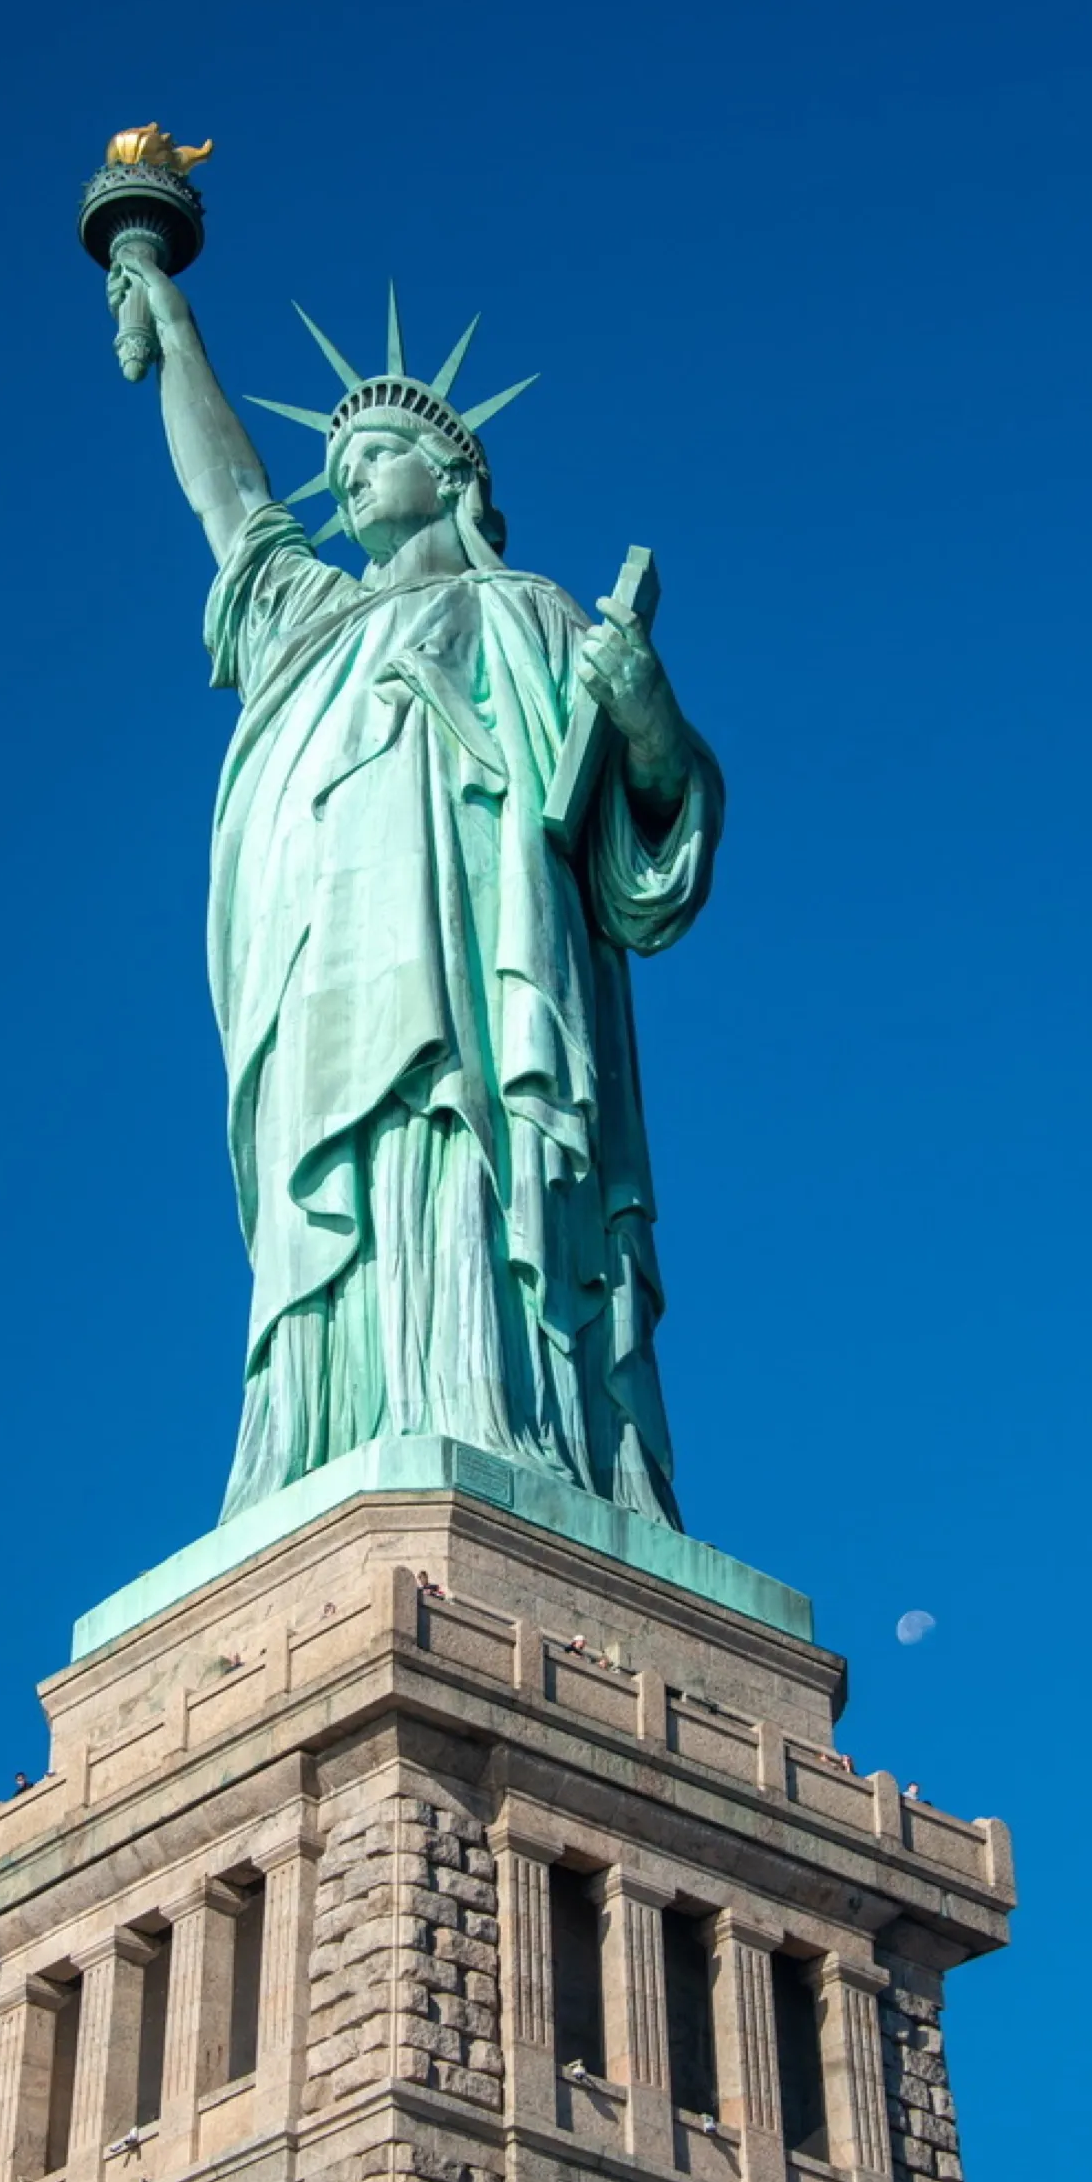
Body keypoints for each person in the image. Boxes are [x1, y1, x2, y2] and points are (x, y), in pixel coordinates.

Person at [110, 259, 724, 1529]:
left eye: (373, 448)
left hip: (490, 986)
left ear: (451, 475)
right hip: (325, 988)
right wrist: (172, 321)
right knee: (346, 1205)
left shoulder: (535, 617)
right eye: (335, 463)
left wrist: (645, 714)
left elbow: (646, 849)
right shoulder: (309, 623)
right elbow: (232, 504)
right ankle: (327, 1436)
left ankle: (513, 1422)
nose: (345, 475)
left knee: (466, 1161)